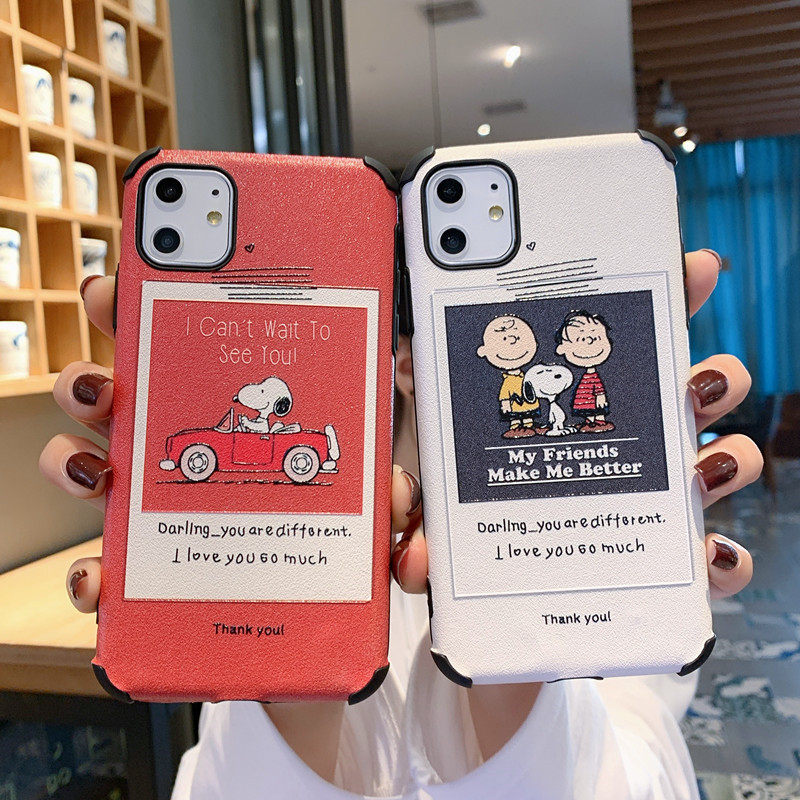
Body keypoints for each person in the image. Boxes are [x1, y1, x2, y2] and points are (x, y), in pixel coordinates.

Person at [41, 249, 761, 799]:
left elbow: (647, 751)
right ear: (404, 362)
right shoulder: (311, 553)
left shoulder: (604, 557)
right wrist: (285, 677)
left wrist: (523, 656)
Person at [477, 314, 544, 438]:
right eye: (504, 339)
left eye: (518, 338)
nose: (512, 341)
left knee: (529, 415)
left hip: (529, 403)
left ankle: (529, 425)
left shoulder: (526, 376)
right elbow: (504, 394)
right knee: (515, 417)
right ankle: (516, 427)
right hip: (515, 405)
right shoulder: (508, 380)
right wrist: (505, 404)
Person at [555, 310, 615, 433]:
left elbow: (598, 387)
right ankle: (589, 422)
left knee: (597, 409)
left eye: (596, 338)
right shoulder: (586, 376)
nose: (588, 341)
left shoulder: (593, 376)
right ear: (562, 348)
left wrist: (600, 396)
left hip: (593, 399)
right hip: (585, 398)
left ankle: (599, 422)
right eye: (581, 339)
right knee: (587, 410)